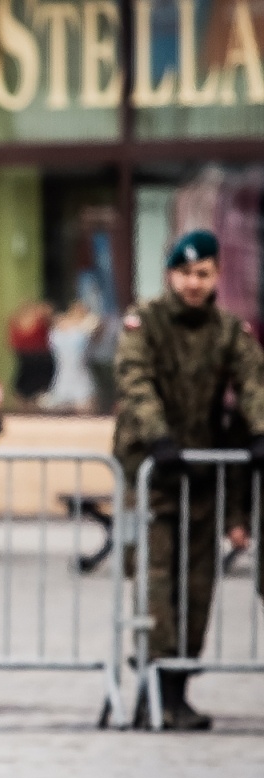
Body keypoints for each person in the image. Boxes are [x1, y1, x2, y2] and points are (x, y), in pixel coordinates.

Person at [114, 230, 264, 729]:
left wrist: (261, 431)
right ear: (169, 275)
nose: (193, 283)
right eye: (185, 273)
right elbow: (134, 380)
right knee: (156, 586)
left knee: (197, 589)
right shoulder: (146, 324)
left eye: (203, 274)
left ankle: (178, 692)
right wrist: (158, 437)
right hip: (153, 475)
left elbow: (252, 383)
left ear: (217, 275)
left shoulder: (229, 331)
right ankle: (152, 692)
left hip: (202, 475)